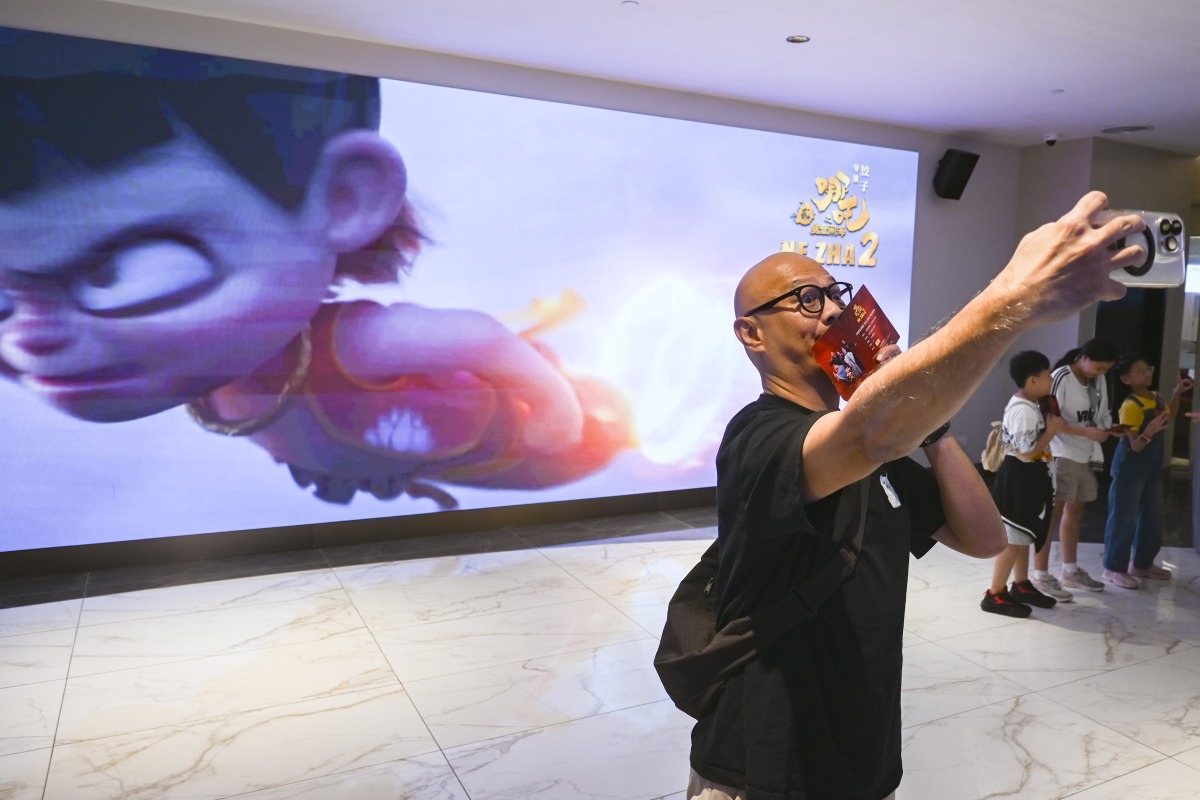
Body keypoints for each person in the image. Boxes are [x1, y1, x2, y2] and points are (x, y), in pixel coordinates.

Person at [0, 29, 635, 508]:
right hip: (467, 459)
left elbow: (482, 339)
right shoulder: (212, 383)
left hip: (558, 436)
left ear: (344, 199)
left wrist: (558, 422)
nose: (32, 337)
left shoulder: (351, 346)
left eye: (132, 270)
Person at [686, 193, 1146, 800]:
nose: (830, 310)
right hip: (765, 760)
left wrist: (930, 431)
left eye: (835, 293)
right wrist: (1015, 298)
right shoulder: (759, 433)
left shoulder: (880, 458)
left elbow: (984, 538)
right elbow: (866, 431)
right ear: (751, 333)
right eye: (804, 298)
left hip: (861, 752)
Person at [1029, 338, 1117, 599]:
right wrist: (1085, 431)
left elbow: (1098, 412)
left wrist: (1105, 430)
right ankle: (1041, 575)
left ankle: (1069, 569)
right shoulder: (1061, 377)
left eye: (1105, 370)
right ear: (1084, 358)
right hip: (1060, 452)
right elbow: (1049, 419)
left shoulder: (1096, 380)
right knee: (1052, 514)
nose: (1101, 374)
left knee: (1076, 510)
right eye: (1099, 368)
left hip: (1085, 453)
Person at [980, 350, 1063, 617]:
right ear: (1032, 381)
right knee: (1014, 538)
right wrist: (1051, 432)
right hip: (1020, 479)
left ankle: (1021, 584)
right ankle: (995, 593)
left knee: (1025, 532)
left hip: (1027, 479)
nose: (1051, 379)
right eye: (1047, 374)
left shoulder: (1027, 405)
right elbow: (1026, 452)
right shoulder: (1023, 411)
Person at [1100, 356, 1192, 587]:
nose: (1146, 374)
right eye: (1139, 371)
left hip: (1151, 468)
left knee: (1153, 515)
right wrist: (1149, 431)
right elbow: (1135, 446)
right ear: (1126, 379)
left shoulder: (1156, 397)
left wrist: (1177, 393)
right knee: (1124, 517)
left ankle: (1142, 564)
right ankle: (1113, 568)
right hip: (1130, 466)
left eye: (1147, 369)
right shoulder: (1130, 406)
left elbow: (1168, 414)